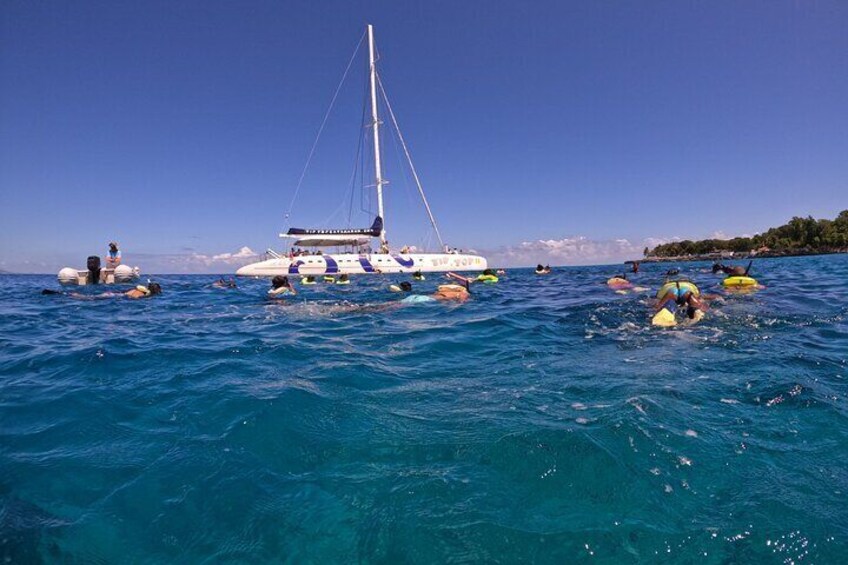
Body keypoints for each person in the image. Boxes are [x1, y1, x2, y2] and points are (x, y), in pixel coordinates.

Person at [42, 282, 161, 300]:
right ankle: (61, 294)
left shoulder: (138, 290)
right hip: (112, 297)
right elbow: (132, 298)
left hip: (113, 294)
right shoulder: (143, 295)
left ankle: (61, 293)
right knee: (87, 298)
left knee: (87, 297)